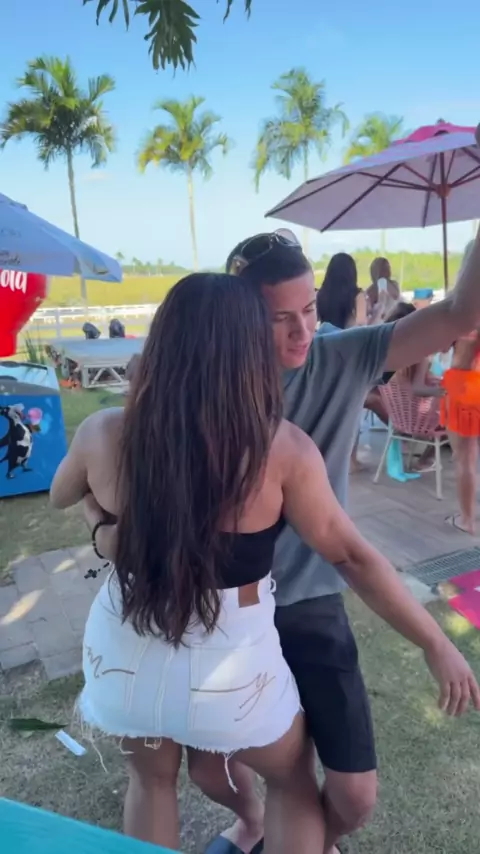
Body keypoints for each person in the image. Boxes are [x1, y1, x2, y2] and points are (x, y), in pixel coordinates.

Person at [85, 226, 480, 854]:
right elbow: (124, 483)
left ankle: (304, 834)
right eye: (279, 318)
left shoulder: (340, 356)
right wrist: (111, 530)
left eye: (310, 308)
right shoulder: (190, 398)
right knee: (219, 772)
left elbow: (460, 312)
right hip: (216, 618)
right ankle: (253, 825)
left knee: (352, 796)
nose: (303, 331)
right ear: (239, 318)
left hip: (306, 602)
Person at [316, 252, 388, 471]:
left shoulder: (321, 295)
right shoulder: (356, 295)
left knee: (333, 404)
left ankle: (331, 455)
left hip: (326, 351)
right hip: (349, 354)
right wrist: (379, 310)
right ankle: (350, 459)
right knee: (352, 405)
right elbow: (361, 327)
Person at [366, 256, 400, 321]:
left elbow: (396, 295)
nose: (388, 271)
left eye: (388, 268)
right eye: (384, 269)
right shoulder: (370, 291)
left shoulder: (394, 285)